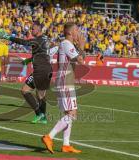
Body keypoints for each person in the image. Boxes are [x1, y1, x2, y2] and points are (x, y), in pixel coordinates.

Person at [0, 21, 53, 124]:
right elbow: (42, 53)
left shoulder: (38, 40)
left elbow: (25, 43)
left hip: (40, 70)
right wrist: (29, 60)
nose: (31, 30)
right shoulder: (45, 39)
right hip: (47, 69)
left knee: (25, 90)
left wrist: (8, 37)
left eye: (33, 29)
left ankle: (38, 113)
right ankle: (43, 118)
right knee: (40, 95)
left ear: (38, 29)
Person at [41, 22, 84, 154]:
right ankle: (49, 136)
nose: (79, 33)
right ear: (70, 32)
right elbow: (81, 60)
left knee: (68, 113)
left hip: (65, 80)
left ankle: (66, 145)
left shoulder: (66, 44)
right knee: (72, 113)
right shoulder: (66, 44)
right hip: (66, 81)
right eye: (77, 30)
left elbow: (77, 60)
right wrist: (82, 46)